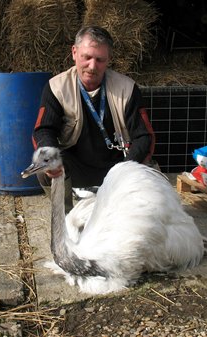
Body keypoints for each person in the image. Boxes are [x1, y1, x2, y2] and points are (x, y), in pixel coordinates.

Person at [32, 25, 155, 212]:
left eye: (100, 60)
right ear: (74, 52)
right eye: (86, 57)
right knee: (44, 167)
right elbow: (44, 130)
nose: (92, 66)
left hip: (118, 165)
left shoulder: (127, 88)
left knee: (150, 171)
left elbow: (144, 137)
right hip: (77, 166)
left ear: (108, 60)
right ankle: (66, 219)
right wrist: (50, 158)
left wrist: (125, 170)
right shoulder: (56, 87)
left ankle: (130, 216)